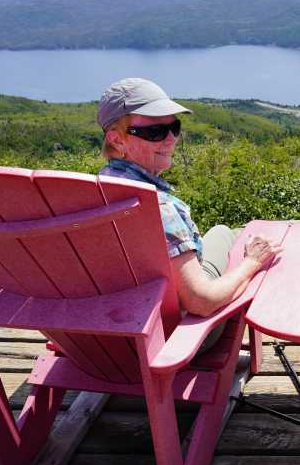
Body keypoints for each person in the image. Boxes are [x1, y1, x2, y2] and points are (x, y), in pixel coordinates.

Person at [97, 78, 282, 347]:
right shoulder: (159, 209)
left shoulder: (97, 187)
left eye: (174, 127)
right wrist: (252, 264)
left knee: (221, 232)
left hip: (107, 334)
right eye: (155, 132)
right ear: (117, 139)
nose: (171, 139)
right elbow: (202, 302)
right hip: (173, 337)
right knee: (234, 239)